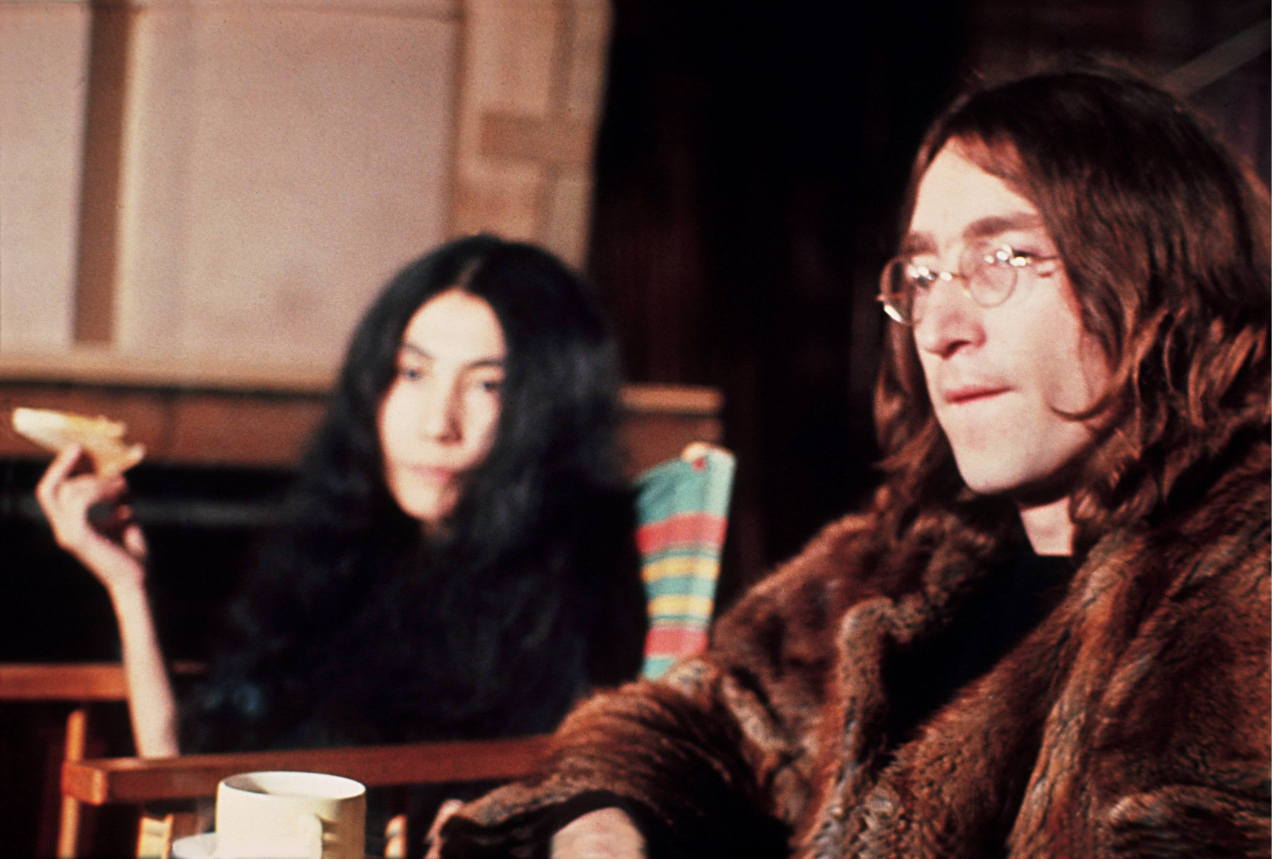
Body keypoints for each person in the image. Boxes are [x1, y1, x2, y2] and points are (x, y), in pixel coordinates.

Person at [433, 66, 1270, 858]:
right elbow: (705, 721)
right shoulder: (918, 556)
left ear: (1161, 270)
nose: (939, 328)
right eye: (924, 274)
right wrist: (601, 820)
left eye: (1001, 260)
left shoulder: (1243, 592)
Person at [36, 235, 647, 846]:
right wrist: (128, 587)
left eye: (489, 386)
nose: (437, 424)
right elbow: (188, 783)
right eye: (413, 373)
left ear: (551, 407)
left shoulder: (580, 585)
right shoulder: (337, 555)